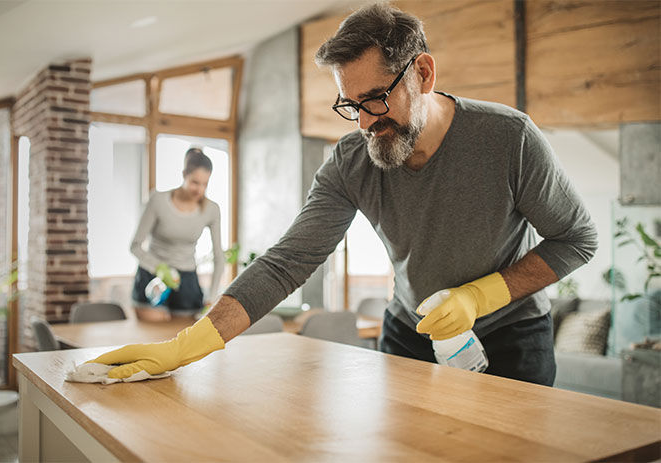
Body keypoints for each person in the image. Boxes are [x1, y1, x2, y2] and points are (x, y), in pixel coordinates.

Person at [91, 4, 597, 385]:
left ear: (423, 73)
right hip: (410, 334)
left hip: (511, 336)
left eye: (376, 99)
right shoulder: (352, 160)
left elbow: (577, 237)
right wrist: (189, 344)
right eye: (351, 105)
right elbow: (288, 261)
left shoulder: (509, 139)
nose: (367, 123)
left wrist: (479, 296)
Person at [129, 147, 224, 321]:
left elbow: (219, 257)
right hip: (152, 276)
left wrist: (211, 297)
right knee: (152, 337)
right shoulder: (158, 200)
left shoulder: (211, 210)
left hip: (186, 281)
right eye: (195, 182)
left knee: (183, 339)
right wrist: (158, 267)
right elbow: (135, 246)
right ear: (183, 175)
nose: (200, 189)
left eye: (205, 184)